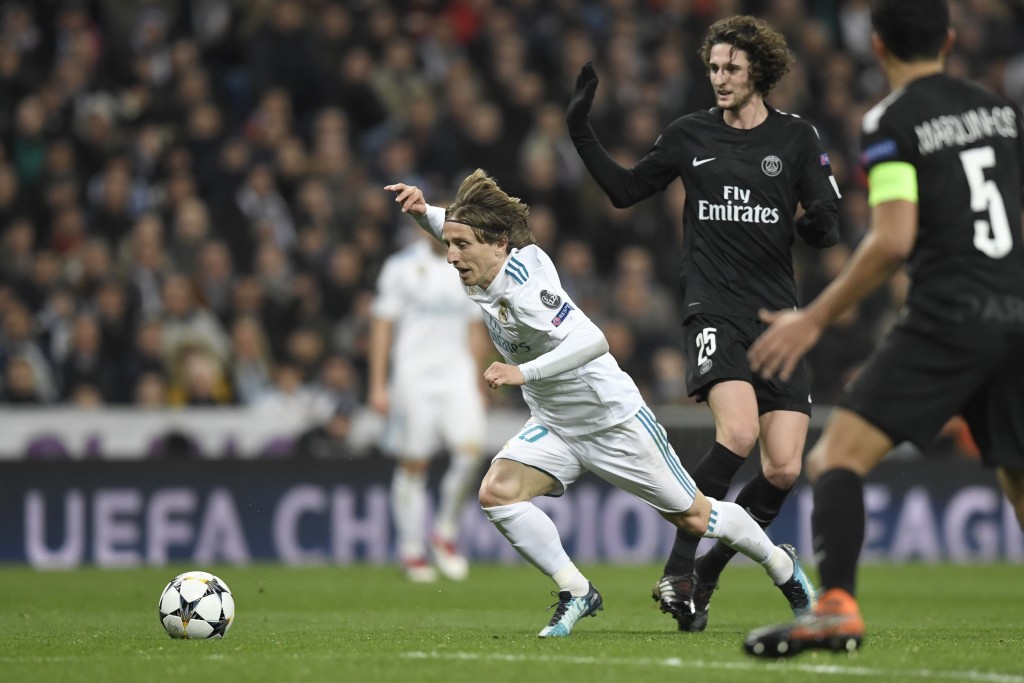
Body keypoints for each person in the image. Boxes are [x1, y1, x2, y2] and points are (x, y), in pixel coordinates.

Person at [384, 169, 816, 638]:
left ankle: (784, 568)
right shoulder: (481, 257)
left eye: (461, 246)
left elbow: (594, 340)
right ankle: (575, 591)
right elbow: (456, 225)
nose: (451, 257)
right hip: (556, 422)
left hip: (610, 418)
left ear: (499, 244)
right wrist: (423, 210)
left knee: (697, 515)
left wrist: (520, 373)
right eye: (449, 244)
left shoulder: (529, 291)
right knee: (498, 493)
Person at [743, 0, 1024, 658]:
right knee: (1018, 478)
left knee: (835, 458)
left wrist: (813, 317)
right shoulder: (1002, 112)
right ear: (950, 39)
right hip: (1016, 311)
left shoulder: (889, 122)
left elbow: (893, 239)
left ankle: (836, 606)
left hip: (949, 315)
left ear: (877, 46)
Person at [564, 15, 842, 631]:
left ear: (759, 73)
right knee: (737, 434)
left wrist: (819, 223)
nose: (718, 78)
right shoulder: (690, 134)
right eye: (713, 68)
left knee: (785, 468)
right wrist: (580, 131)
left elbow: (826, 212)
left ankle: (705, 577)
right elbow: (626, 189)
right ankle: (678, 566)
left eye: (731, 68)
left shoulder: (796, 138)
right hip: (713, 308)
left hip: (780, 319)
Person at [368, 228, 490, 583]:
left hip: (458, 374)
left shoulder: (468, 266)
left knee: (471, 452)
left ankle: (444, 532)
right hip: (413, 376)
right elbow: (382, 324)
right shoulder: (400, 267)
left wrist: (479, 378)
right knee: (414, 462)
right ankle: (411, 549)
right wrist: (378, 384)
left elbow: (474, 327)